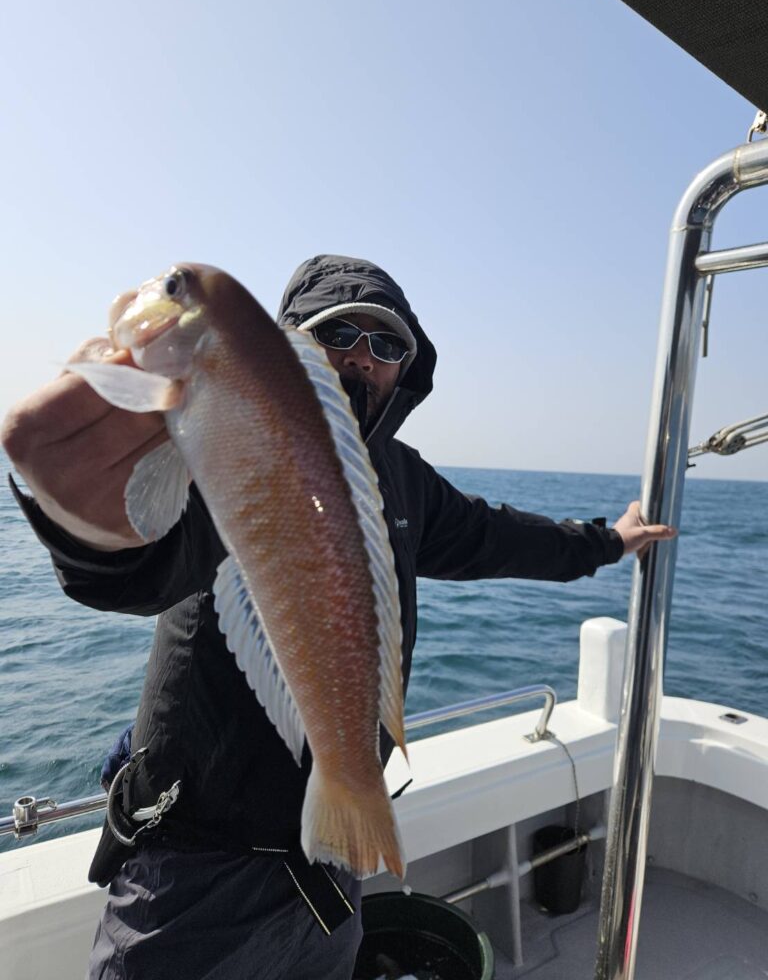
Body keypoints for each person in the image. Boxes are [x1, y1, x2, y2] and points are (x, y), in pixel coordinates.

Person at [1, 254, 676, 980]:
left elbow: (498, 535)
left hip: (330, 875)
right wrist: (92, 535)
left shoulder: (405, 479)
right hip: (192, 878)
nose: (362, 357)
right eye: (338, 333)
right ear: (285, 343)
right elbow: (150, 562)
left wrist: (609, 541)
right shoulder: (218, 438)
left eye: (386, 345)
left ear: (404, 371)